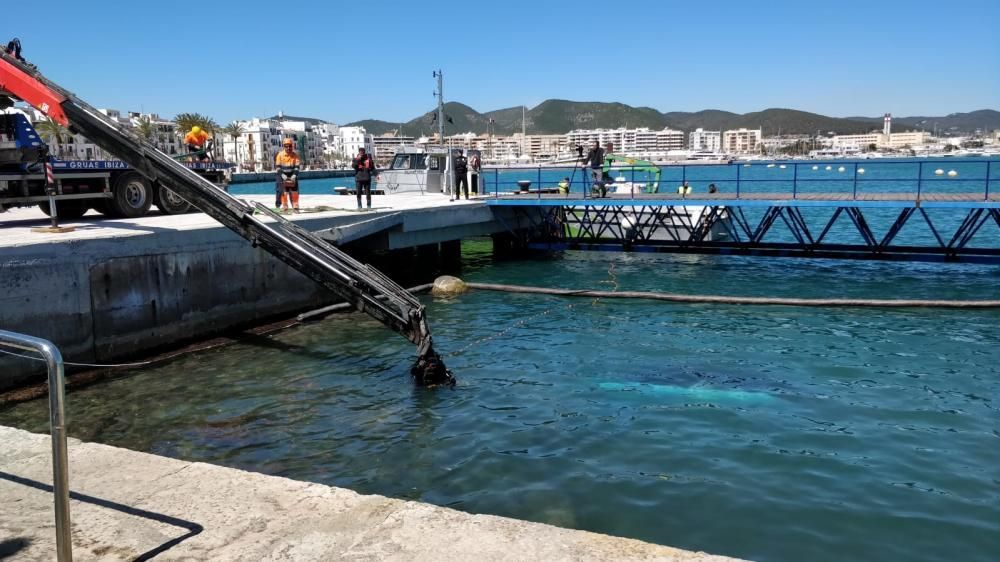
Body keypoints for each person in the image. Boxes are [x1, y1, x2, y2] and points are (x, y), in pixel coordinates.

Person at [275, 138, 301, 212]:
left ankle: (295, 206)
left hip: (292, 174)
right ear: (284, 146)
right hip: (281, 174)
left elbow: (297, 167)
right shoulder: (280, 155)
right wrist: (282, 175)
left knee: (295, 190)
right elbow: (278, 167)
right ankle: (283, 205)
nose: (288, 148)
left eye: (290, 146)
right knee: (282, 190)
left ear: (292, 146)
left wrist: (294, 175)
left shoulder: (295, 156)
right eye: (286, 146)